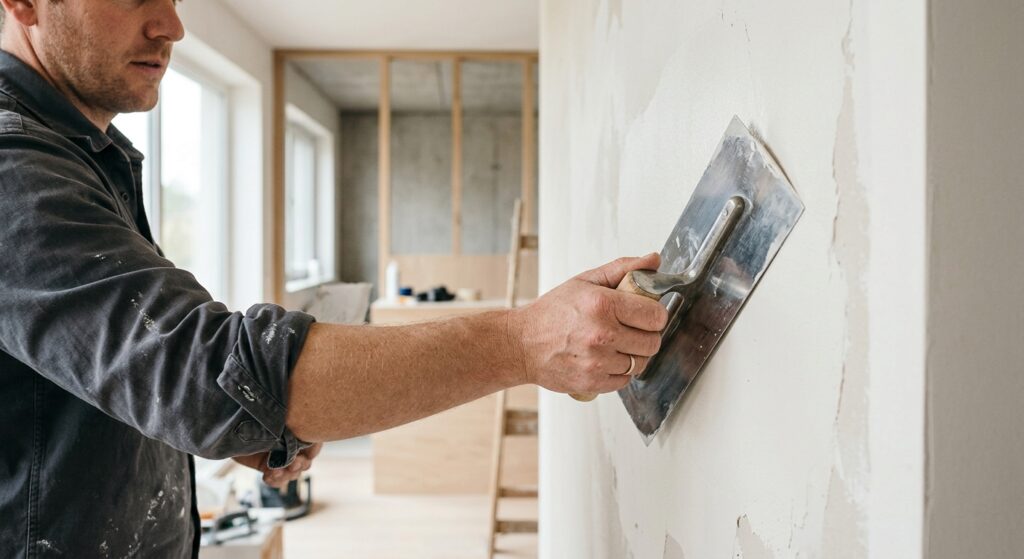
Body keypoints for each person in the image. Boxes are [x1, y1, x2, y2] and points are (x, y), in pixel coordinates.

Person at [0, 0, 668, 557]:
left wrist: (243, 423)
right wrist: (521, 342)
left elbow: (124, 366)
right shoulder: (15, 170)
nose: (172, 24)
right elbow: (203, 371)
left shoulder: (84, 157)